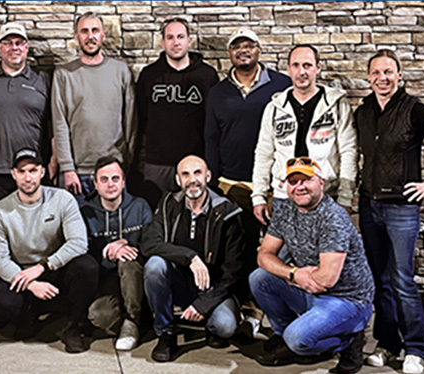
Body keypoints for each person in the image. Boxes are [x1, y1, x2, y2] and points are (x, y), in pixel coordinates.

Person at [355, 49, 424, 374]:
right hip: (368, 205)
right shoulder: (363, 111)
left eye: (388, 72)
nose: (382, 78)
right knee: (380, 280)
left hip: (401, 209)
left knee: (402, 279)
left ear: (399, 76)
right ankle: (388, 345)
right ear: (370, 77)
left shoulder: (413, 108)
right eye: (376, 72)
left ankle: (415, 348)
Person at [249, 157, 375, 374]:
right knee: (259, 278)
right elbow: (264, 255)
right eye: (293, 181)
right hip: (309, 288)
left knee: (297, 339)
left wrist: (299, 277)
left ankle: (349, 341)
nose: (299, 187)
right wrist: (293, 273)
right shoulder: (285, 210)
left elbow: (327, 279)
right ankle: (286, 338)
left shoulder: (333, 217)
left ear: (321, 182)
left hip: (346, 299)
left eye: (306, 180)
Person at [204, 28, 291, 337]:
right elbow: (211, 138)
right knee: (236, 252)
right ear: (230, 53)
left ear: (258, 49)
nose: (243, 50)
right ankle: (238, 311)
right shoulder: (218, 91)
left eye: (249, 45)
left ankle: (265, 313)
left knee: (274, 253)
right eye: (236, 46)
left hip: (272, 187)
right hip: (231, 184)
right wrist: (212, 182)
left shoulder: (282, 85)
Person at [0, 148, 99, 353]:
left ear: (42, 172)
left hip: (54, 266)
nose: (27, 177)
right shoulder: (0, 211)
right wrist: (30, 283)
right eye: (21, 172)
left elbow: (79, 242)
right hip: (22, 273)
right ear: (13, 174)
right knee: (1, 305)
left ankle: (73, 327)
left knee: (87, 266)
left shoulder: (62, 199)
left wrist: (42, 267)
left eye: (32, 170)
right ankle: (29, 314)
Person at [140, 155, 250, 362]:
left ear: (208, 176)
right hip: (179, 282)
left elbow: (234, 271)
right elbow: (149, 244)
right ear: (178, 180)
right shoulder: (168, 203)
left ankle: (207, 322)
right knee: (154, 266)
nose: (192, 179)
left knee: (225, 326)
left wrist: (204, 304)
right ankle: (166, 333)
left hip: (214, 287)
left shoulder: (226, 212)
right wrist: (191, 257)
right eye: (186, 174)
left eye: (197, 173)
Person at [251, 44, 357, 227]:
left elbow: (349, 151)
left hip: (326, 196)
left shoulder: (337, 104)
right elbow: (263, 154)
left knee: (327, 254)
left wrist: (345, 197)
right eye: (296, 65)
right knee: (280, 255)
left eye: (307, 65)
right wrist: (258, 196)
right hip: (284, 197)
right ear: (288, 70)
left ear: (318, 68)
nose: (302, 72)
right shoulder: (274, 107)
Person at [52, 12, 135, 205]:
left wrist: (125, 164)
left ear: (103, 35)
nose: (90, 36)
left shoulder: (120, 70)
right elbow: (59, 123)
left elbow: (130, 121)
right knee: (77, 232)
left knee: (116, 231)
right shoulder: (64, 74)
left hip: (113, 172)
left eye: (95, 30)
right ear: (76, 37)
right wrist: (67, 168)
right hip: (77, 173)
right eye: (84, 31)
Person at [134, 18, 219, 208]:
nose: (176, 42)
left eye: (180, 37)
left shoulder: (207, 75)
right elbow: (141, 117)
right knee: (156, 215)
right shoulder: (149, 75)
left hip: (195, 164)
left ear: (189, 40)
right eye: (170, 37)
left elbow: (214, 121)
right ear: (163, 42)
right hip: (158, 164)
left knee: (195, 216)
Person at [0, 22, 51, 220]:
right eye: (7, 43)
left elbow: (54, 125)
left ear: (26, 47)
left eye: (19, 43)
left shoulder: (43, 81)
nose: (14, 48)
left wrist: (54, 161)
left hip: (32, 173)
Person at [81, 156, 153, 350]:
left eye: (115, 178)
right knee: (99, 315)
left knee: (128, 259)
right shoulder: (85, 211)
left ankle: (131, 321)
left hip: (137, 275)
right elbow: (80, 250)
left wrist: (125, 246)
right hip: (107, 280)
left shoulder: (140, 206)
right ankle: (139, 318)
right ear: (95, 184)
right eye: (104, 180)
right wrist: (106, 249)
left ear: (123, 182)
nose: (110, 184)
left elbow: (152, 243)